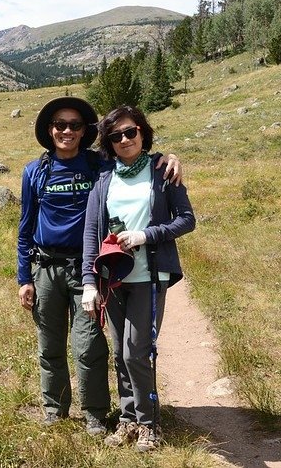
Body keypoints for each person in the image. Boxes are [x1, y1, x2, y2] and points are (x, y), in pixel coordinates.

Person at [17, 97, 183, 436]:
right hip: (45, 267)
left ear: (84, 131)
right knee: (49, 345)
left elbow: (133, 159)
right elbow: (25, 227)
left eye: (75, 125)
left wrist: (167, 159)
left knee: (90, 344)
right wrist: (24, 278)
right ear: (50, 130)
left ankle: (95, 413)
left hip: (88, 268)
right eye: (60, 125)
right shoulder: (35, 171)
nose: (67, 131)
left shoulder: (97, 166)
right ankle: (54, 409)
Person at [81, 105, 196, 452]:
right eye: (116, 135)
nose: (125, 139)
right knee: (120, 351)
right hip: (113, 278)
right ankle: (129, 419)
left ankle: (149, 423)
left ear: (143, 133)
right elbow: (91, 234)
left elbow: (187, 219)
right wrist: (89, 282)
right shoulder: (104, 180)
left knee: (136, 352)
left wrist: (147, 235)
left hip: (149, 275)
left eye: (131, 131)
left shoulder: (162, 171)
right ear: (109, 142)